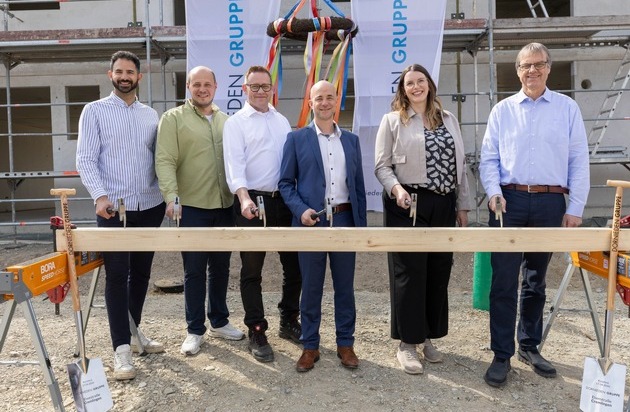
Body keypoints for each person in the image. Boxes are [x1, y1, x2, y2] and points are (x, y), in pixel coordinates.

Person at [479, 42, 590, 387]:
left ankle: (528, 345)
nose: (532, 71)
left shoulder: (567, 108)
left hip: (550, 202)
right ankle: (501, 354)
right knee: (503, 281)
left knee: (535, 280)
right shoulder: (502, 111)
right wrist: (494, 193)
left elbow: (578, 159)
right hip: (508, 202)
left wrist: (575, 208)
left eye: (538, 64)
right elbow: (489, 158)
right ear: (518, 71)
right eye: (526, 65)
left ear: (548, 68)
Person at [374, 63, 472, 375]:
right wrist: (396, 189)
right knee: (410, 273)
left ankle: (427, 335)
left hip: (444, 203)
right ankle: (407, 342)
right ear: (403, 90)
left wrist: (463, 206)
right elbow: (382, 166)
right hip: (408, 204)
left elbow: (461, 167)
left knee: (438, 269)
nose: (416, 87)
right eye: (410, 83)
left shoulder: (448, 119)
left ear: (429, 84)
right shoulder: (392, 121)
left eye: (420, 81)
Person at [76, 50, 166, 380]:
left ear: (139, 77)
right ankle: (121, 350)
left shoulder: (150, 115)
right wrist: (99, 196)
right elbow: (85, 159)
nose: (124, 76)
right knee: (117, 275)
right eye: (119, 71)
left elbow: (160, 159)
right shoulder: (94, 111)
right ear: (110, 74)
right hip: (113, 208)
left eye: (130, 72)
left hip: (150, 205)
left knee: (141, 273)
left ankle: (133, 331)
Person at [155, 66, 245, 356]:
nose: (202, 89)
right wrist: (171, 197)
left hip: (224, 205)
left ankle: (219, 320)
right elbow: (165, 160)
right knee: (194, 270)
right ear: (189, 87)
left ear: (216, 87)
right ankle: (195, 329)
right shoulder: (173, 119)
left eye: (208, 84)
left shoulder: (226, 121)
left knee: (221, 267)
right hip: (191, 207)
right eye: (197, 84)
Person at [279, 80, 367, 373]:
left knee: (345, 287)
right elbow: (285, 183)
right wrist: (301, 210)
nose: (325, 102)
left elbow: (358, 186)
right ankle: (310, 346)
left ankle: (346, 344)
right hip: (311, 221)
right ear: (311, 103)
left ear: (337, 101)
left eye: (330, 97)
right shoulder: (296, 139)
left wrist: (361, 228)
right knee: (311, 287)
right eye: (319, 98)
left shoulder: (351, 141)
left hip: (344, 220)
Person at [223, 66, 302, 363]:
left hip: (283, 201)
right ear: (245, 89)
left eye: (264, 86)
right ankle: (256, 329)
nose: (259, 91)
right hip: (252, 202)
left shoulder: (281, 121)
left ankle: (289, 320)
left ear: (272, 89)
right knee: (252, 271)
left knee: (294, 266)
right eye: (254, 86)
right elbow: (234, 166)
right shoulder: (236, 123)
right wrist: (244, 198)